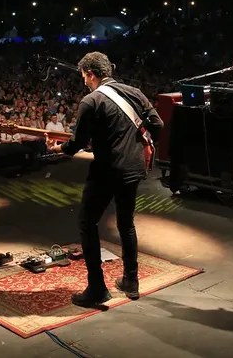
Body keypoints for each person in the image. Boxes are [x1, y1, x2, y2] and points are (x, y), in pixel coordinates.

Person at [46, 52, 163, 308]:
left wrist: (57, 149)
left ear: (90, 73)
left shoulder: (91, 100)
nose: (84, 82)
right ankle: (131, 282)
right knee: (126, 223)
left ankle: (97, 289)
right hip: (134, 169)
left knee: (87, 223)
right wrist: (135, 145)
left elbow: (76, 143)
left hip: (107, 170)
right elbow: (157, 123)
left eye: (84, 77)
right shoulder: (134, 92)